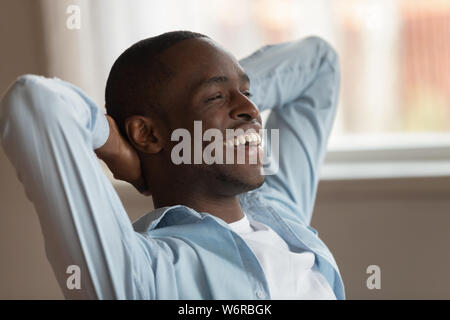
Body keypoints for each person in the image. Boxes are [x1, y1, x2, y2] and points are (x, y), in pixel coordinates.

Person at [0, 30, 344, 299]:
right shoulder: (144, 273)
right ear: (147, 134)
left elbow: (320, 64)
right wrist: (116, 145)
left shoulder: (282, 216)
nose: (253, 110)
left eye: (249, 94)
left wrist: (226, 92)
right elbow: (36, 103)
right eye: (214, 97)